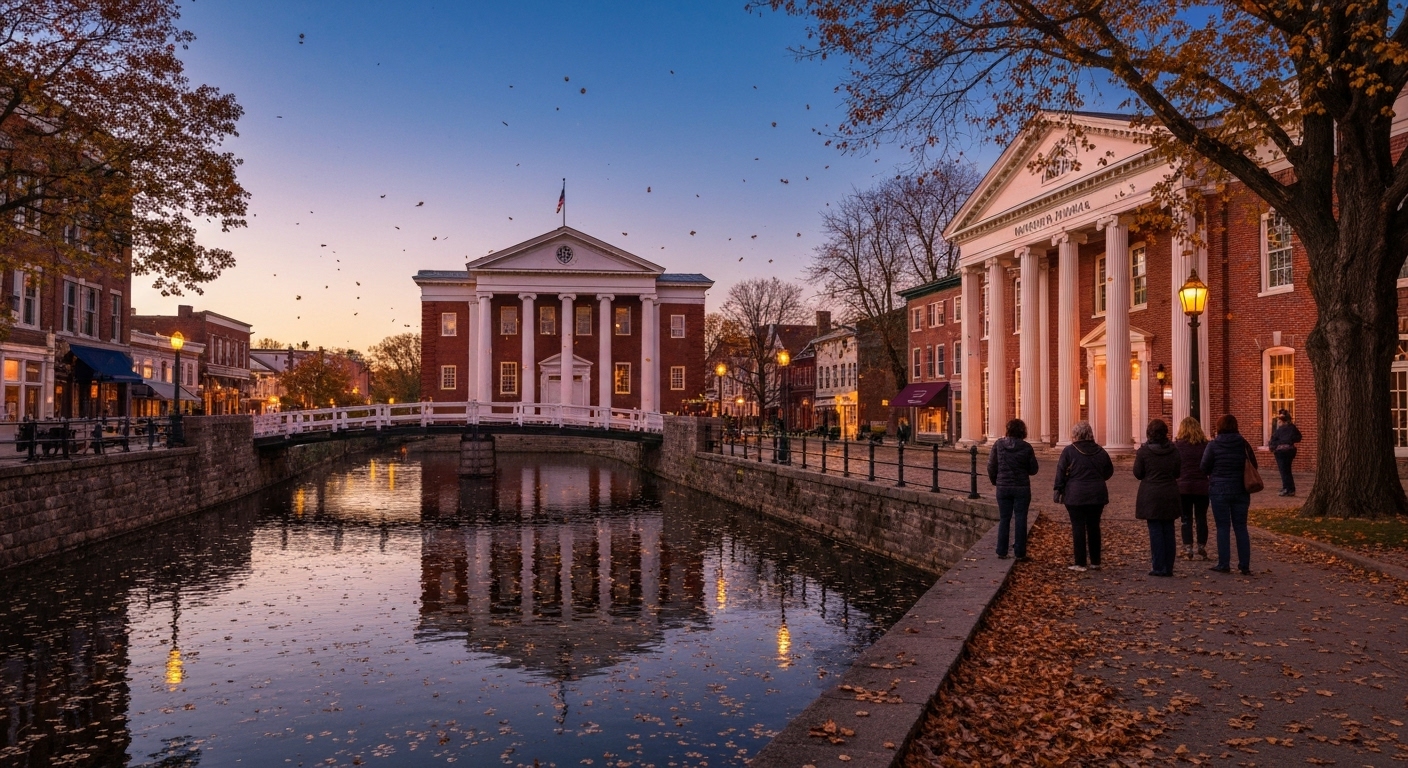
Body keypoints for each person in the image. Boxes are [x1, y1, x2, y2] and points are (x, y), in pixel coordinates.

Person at [1054, 420, 1114, 572]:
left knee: (1078, 527)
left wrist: (1058, 489)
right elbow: (1109, 471)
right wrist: (1098, 479)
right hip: (1097, 493)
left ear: (1075, 434)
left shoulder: (1069, 451)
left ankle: (1080, 562)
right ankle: (1095, 561)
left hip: (1075, 494)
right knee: (1094, 526)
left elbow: (1061, 471)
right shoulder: (1100, 451)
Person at [1201, 414, 1258, 575]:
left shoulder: (1213, 445)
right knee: (1241, 527)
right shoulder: (1243, 443)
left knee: (1222, 527)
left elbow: (1204, 467)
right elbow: (1254, 464)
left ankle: (1224, 563)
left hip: (1219, 490)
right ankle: (1244, 565)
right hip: (1240, 490)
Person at [1134, 419, 1182, 577]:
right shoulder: (1174, 451)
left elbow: (1138, 473)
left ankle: (1158, 566)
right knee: (1169, 530)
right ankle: (1168, 566)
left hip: (1151, 494)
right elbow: (1177, 472)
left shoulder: (1144, 452)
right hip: (1169, 492)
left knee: (1155, 530)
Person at [987, 418, 1038, 561]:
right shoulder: (1026, 447)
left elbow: (991, 466)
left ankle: (1001, 551)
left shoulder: (998, 445)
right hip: (1021, 487)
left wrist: (996, 481)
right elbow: (1033, 469)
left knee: (1004, 518)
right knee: (1021, 518)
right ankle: (1020, 552)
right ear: (1023, 431)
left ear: (1008, 430)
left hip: (1003, 487)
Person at [1175, 417, 1211, 560]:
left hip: (1183, 487)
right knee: (1201, 517)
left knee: (1186, 518)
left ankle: (1188, 547)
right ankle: (1201, 545)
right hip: (1202, 486)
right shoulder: (1205, 445)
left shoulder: (1177, 446)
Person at [1268, 409, 1302, 496]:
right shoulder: (1292, 428)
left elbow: (1273, 440)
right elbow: (1298, 438)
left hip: (1281, 452)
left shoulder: (1280, 430)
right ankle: (1290, 488)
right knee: (1287, 470)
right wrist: (1290, 440)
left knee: (1284, 471)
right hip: (1289, 451)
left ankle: (1287, 488)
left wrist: (1274, 447)